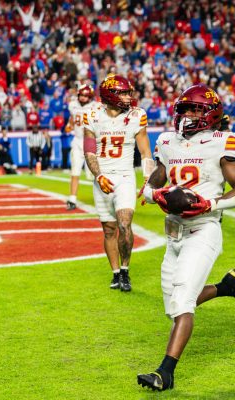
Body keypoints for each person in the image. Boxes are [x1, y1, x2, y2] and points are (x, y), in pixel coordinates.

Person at [136, 84, 235, 391]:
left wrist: (210, 203)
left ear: (211, 113)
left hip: (204, 229)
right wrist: (153, 194)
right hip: (173, 233)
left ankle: (165, 372)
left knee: (183, 301)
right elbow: (156, 179)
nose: (187, 115)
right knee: (173, 306)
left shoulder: (223, 140)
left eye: (195, 109)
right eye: (184, 109)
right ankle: (226, 287)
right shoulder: (167, 140)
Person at [83, 74, 154, 292]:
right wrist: (99, 176)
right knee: (109, 229)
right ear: (110, 95)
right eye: (122, 93)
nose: (127, 97)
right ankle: (115, 273)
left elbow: (145, 151)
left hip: (125, 175)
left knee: (124, 224)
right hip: (102, 176)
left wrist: (148, 179)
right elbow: (89, 150)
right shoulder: (92, 115)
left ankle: (125, 270)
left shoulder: (136, 115)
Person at [66, 84, 97, 210]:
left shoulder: (96, 106)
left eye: (86, 96)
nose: (83, 98)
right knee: (75, 171)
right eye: (82, 95)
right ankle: (72, 198)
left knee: (96, 172)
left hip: (92, 142)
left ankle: (103, 198)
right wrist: (70, 124)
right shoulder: (73, 105)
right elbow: (72, 118)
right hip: (78, 141)